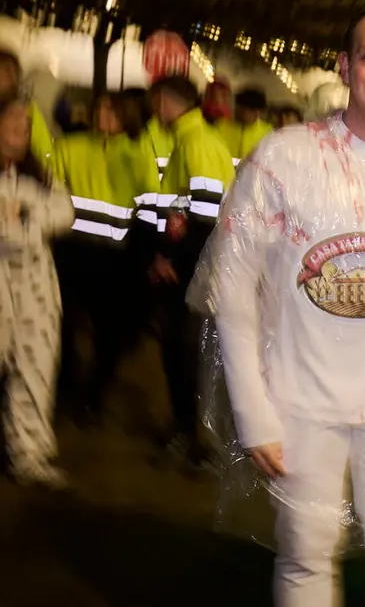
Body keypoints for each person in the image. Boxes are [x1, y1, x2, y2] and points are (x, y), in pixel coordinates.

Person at [204, 8, 365, 606]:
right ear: (345, 65)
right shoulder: (284, 156)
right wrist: (254, 410)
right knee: (304, 555)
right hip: (300, 400)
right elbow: (234, 285)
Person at [51, 92, 159, 426]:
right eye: (99, 108)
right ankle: (67, 384)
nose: (101, 114)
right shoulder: (69, 145)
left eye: (110, 110)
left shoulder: (138, 152)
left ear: (125, 115)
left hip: (114, 259)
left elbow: (151, 205)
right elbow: (51, 188)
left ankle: (93, 395)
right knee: (62, 322)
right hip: (71, 252)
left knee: (108, 334)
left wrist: (151, 254)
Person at [146, 76, 236, 470]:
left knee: (182, 354)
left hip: (191, 266)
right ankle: (193, 436)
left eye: (157, 103)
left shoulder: (194, 141)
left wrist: (170, 258)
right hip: (199, 263)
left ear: (168, 101)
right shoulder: (199, 138)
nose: (155, 112)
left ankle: (194, 439)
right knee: (186, 354)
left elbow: (199, 214)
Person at [0, 97, 74, 487]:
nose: (22, 126)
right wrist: (26, 225)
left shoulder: (38, 176)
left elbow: (64, 211)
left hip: (35, 291)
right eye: (12, 118)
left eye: (26, 121)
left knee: (35, 369)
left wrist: (26, 217)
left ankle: (28, 454)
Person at [0, 50, 55, 169]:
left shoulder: (29, 110)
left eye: (13, 71)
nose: (12, 76)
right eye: (6, 69)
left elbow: (45, 153)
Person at [216, 88, 273, 166]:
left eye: (259, 110)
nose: (256, 114)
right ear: (239, 107)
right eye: (252, 110)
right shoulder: (219, 127)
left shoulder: (267, 132)